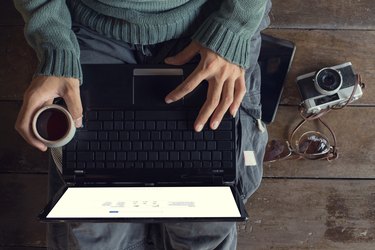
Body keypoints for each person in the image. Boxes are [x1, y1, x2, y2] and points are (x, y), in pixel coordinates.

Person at [14, 0, 271, 249]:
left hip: (210, 19)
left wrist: (233, 28)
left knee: (207, 216)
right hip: (90, 24)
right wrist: (55, 44)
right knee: (91, 226)